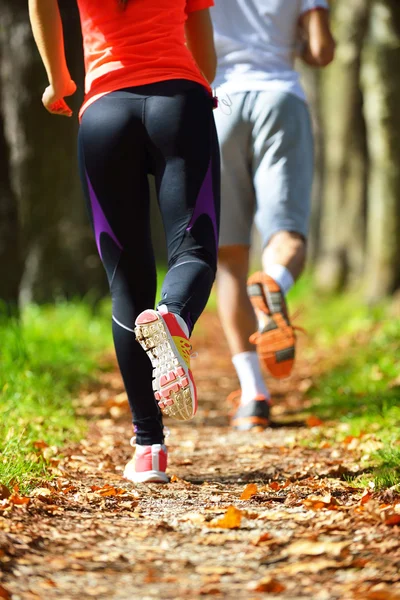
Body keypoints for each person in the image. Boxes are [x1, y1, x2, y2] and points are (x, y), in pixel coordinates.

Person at [28, 0, 220, 482]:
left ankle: (149, 448)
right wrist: (203, 79)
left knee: (126, 280)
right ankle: (174, 316)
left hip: (104, 113)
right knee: (192, 248)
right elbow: (198, 18)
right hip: (180, 104)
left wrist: (59, 79)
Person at [211, 0, 335, 430]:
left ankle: (253, 397)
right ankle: (274, 286)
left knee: (229, 258)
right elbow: (321, 51)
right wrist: (299, 39)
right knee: (287, 235)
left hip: (219, 104)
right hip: (281, 97)